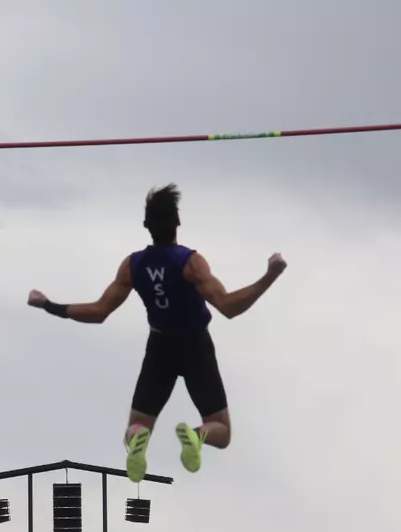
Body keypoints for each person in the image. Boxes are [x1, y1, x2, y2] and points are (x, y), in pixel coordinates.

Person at [27, 184, 288, 482]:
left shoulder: (133, 265)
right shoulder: (190, 263)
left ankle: (139, 441)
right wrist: (270, 275)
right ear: (178, 220)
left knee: (136, 429)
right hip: (195, 347)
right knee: (221, 429)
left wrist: (49, 305)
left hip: (160, 348)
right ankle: (197, 435)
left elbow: (99, 312)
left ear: (146, 227)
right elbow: (228, 306)